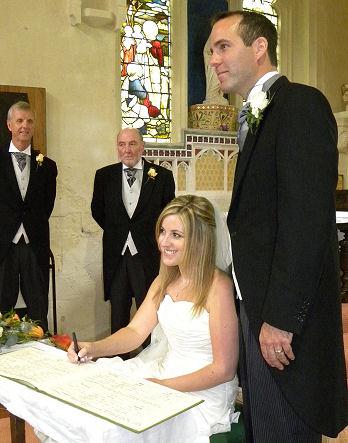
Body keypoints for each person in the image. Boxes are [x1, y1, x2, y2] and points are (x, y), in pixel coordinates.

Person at [209, 10, 348, 443]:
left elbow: (305, 222)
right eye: (210, 51)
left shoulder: (300, 104)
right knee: (263, 430)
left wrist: (281, 320)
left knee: (282, 433)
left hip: (284, 320)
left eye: (223, 46)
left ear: (260, 47)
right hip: (259, 306)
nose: (213, 60)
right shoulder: (256, 115)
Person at [69, 194, 239, 439]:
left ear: (200, 240)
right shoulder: (164, 280)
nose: (164, 242)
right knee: (94, 409)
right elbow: (135, 332)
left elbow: (224, 369)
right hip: (164, 374)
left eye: (176, 235)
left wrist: (162, 388)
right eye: (162, 231)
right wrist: (92, 348)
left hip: (203, 391)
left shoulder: (218, 286)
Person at [91, 128, 175, 345]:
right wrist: (119, 232)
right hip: (116, 255)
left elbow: (169, 214)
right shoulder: (104, 176)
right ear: (117, 147)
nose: (126, 149)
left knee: (149, 311)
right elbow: (97, 211)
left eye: (132, 144)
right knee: (118, 312)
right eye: (122, 144)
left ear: (142, 146)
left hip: (147, 254)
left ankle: (149, 360)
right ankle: (116, 362)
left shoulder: (162, 176)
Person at [0, 101, 57, 331]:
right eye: (20, 121)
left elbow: (47, 206)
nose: (25, 125)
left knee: (38, 308)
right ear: (9, 125)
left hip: (35, 244)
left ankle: (40, 354)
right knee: (3, 307)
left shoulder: (47, 166)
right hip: (4, 246)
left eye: (29, 121)